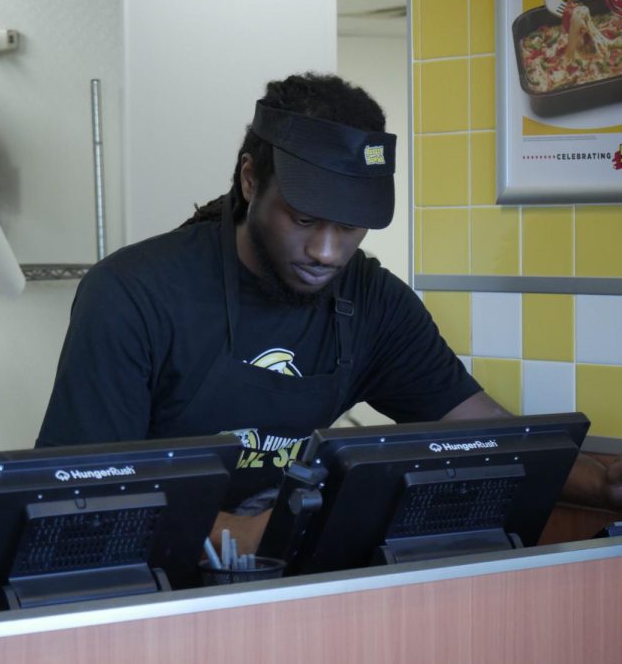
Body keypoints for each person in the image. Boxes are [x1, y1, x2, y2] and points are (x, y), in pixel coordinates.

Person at [37, 72, 622, 552]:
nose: (325, 251)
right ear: (249, 180)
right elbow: (88, 495)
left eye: (348, 227)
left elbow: (481, 431)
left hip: (289, 572)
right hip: (141, 580)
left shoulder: (374, 302)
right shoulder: (133, 293)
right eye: (304, 219)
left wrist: (603, 483)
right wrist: (246, 535)